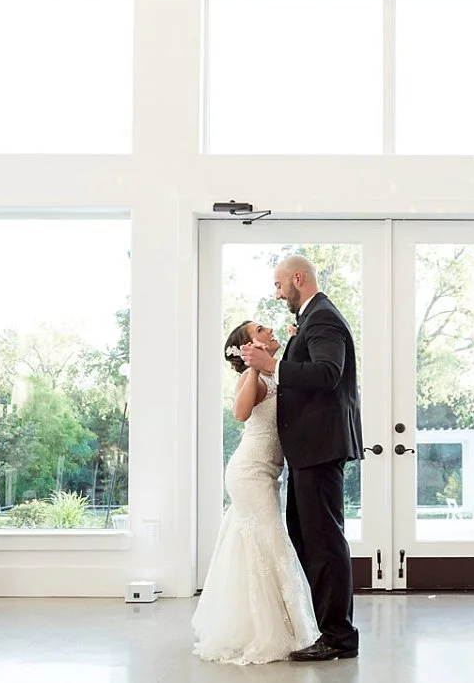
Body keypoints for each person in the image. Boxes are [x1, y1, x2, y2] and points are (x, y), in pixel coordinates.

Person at [241, 254, 363, 661]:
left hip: (320, 448)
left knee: (325, 542)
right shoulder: (312, 319)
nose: (277, 295)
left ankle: (339, 637)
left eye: (279, 286)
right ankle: (325, 629)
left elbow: (329, 372)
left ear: (298, 278)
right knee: (308, 539)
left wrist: (274, 364)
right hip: (308, 451)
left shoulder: (323, 317)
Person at [191, 320, 319, 665]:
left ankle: (265, 623)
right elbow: (240, 412)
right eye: (261, 330)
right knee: (273, 541)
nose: (270, 331)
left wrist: (294, 342)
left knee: (253, 545)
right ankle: (275, 631)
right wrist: (252, 367)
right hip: (249, 472)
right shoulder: (253, 378)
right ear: (250, 346)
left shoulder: (276, 373)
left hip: (269, 472)